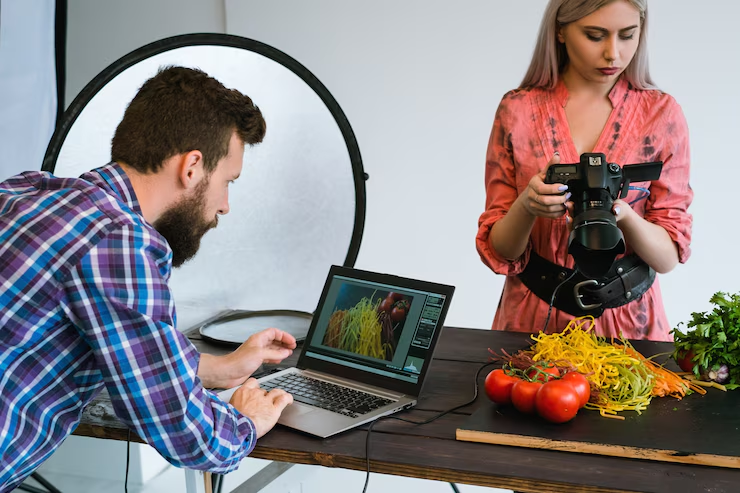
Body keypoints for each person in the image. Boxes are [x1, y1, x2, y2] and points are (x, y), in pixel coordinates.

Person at [0, 66, 296, 492]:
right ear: (192, 166)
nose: (226, 205)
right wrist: (246, 421)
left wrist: (220, 369)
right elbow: (184, 430)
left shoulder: (29, 191)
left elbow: (125, 352)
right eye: (228, 182)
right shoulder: (118, 240)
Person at [476, 0, 692, 341]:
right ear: (560, 30)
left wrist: (622, 215)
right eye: (595, 36)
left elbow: (667, 258)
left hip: (630, 326)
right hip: (533, 322)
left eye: (627, 36)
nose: (613, 54)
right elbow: (500, 252)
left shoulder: (661, 115)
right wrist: (528, 205)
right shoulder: (518, 111)